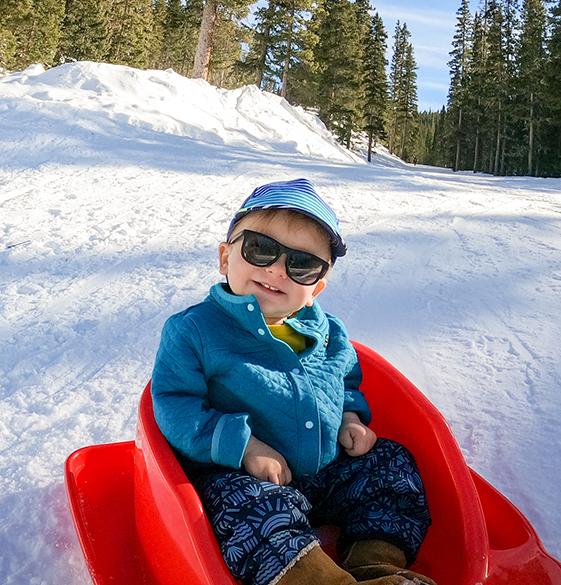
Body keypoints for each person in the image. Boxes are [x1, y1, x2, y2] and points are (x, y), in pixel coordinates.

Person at [152, 178, 435, 585]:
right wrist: (245, 447)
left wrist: (351, 420)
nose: (276, 269)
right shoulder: (195, 331)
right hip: (244, 478)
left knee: (391, 465)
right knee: (247, 514)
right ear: (225, 257)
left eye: (301, 264)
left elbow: (347, 380)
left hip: (326, 469)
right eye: (261, 249)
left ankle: (376, 566)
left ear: (316, 287)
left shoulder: (328, 332)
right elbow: (174, 404)